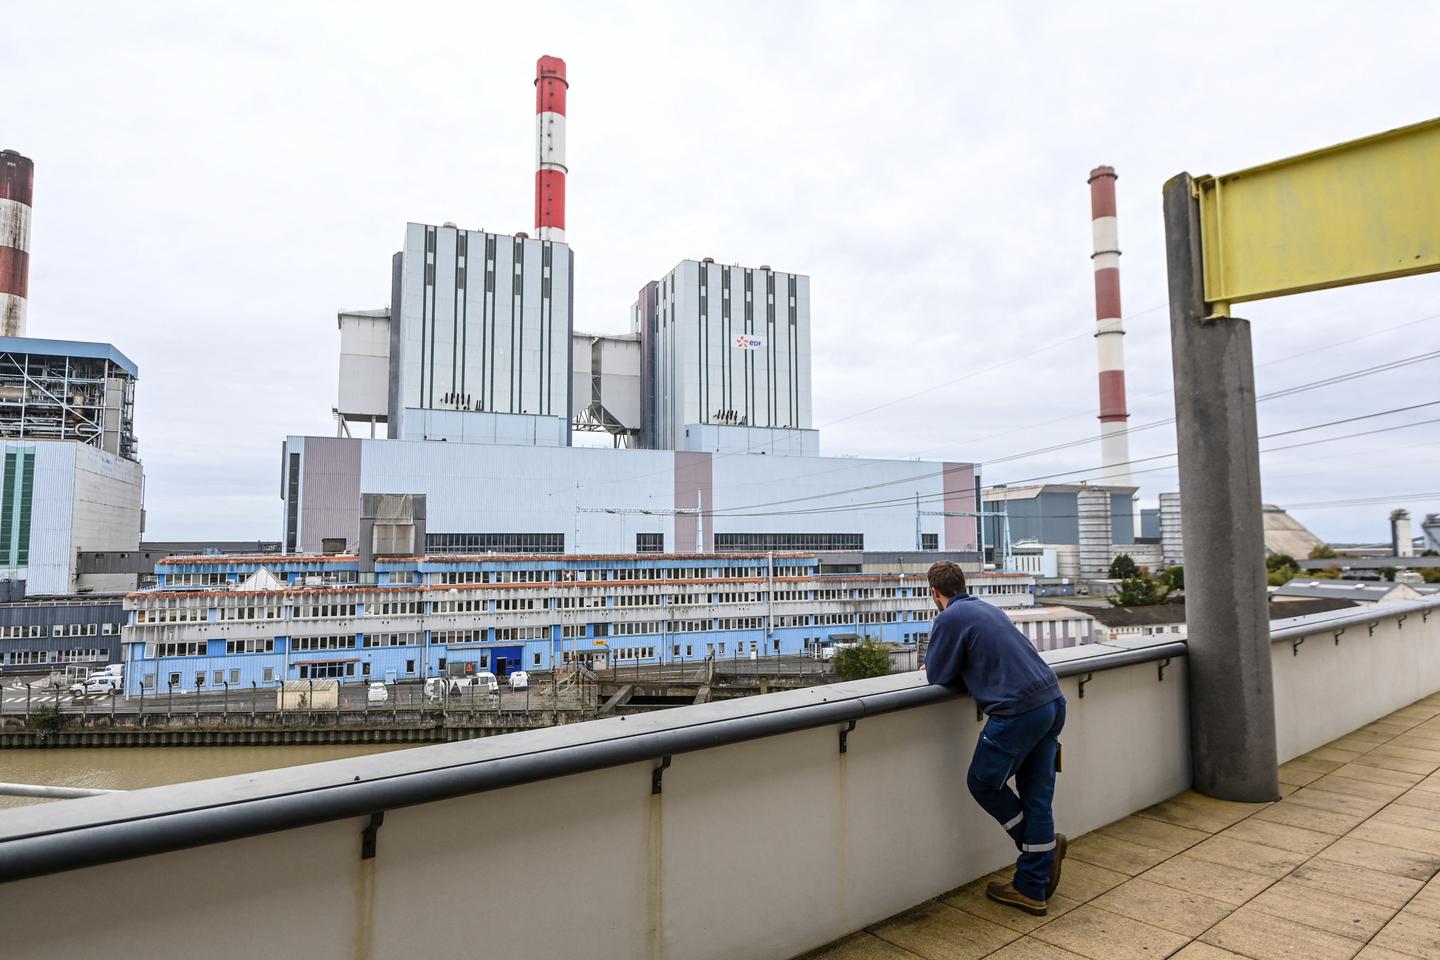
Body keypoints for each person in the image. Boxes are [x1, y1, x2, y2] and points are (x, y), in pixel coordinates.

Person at [922, 560, 1067, 916]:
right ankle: (1032, 885)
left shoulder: (949, 618)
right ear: (963, 583)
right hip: (1052, 701)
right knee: (1036, 794)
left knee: (983, 782)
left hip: (1018, 711)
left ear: (934, 593)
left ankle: (1039, 855)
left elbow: (937, 674)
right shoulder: (986, 608)